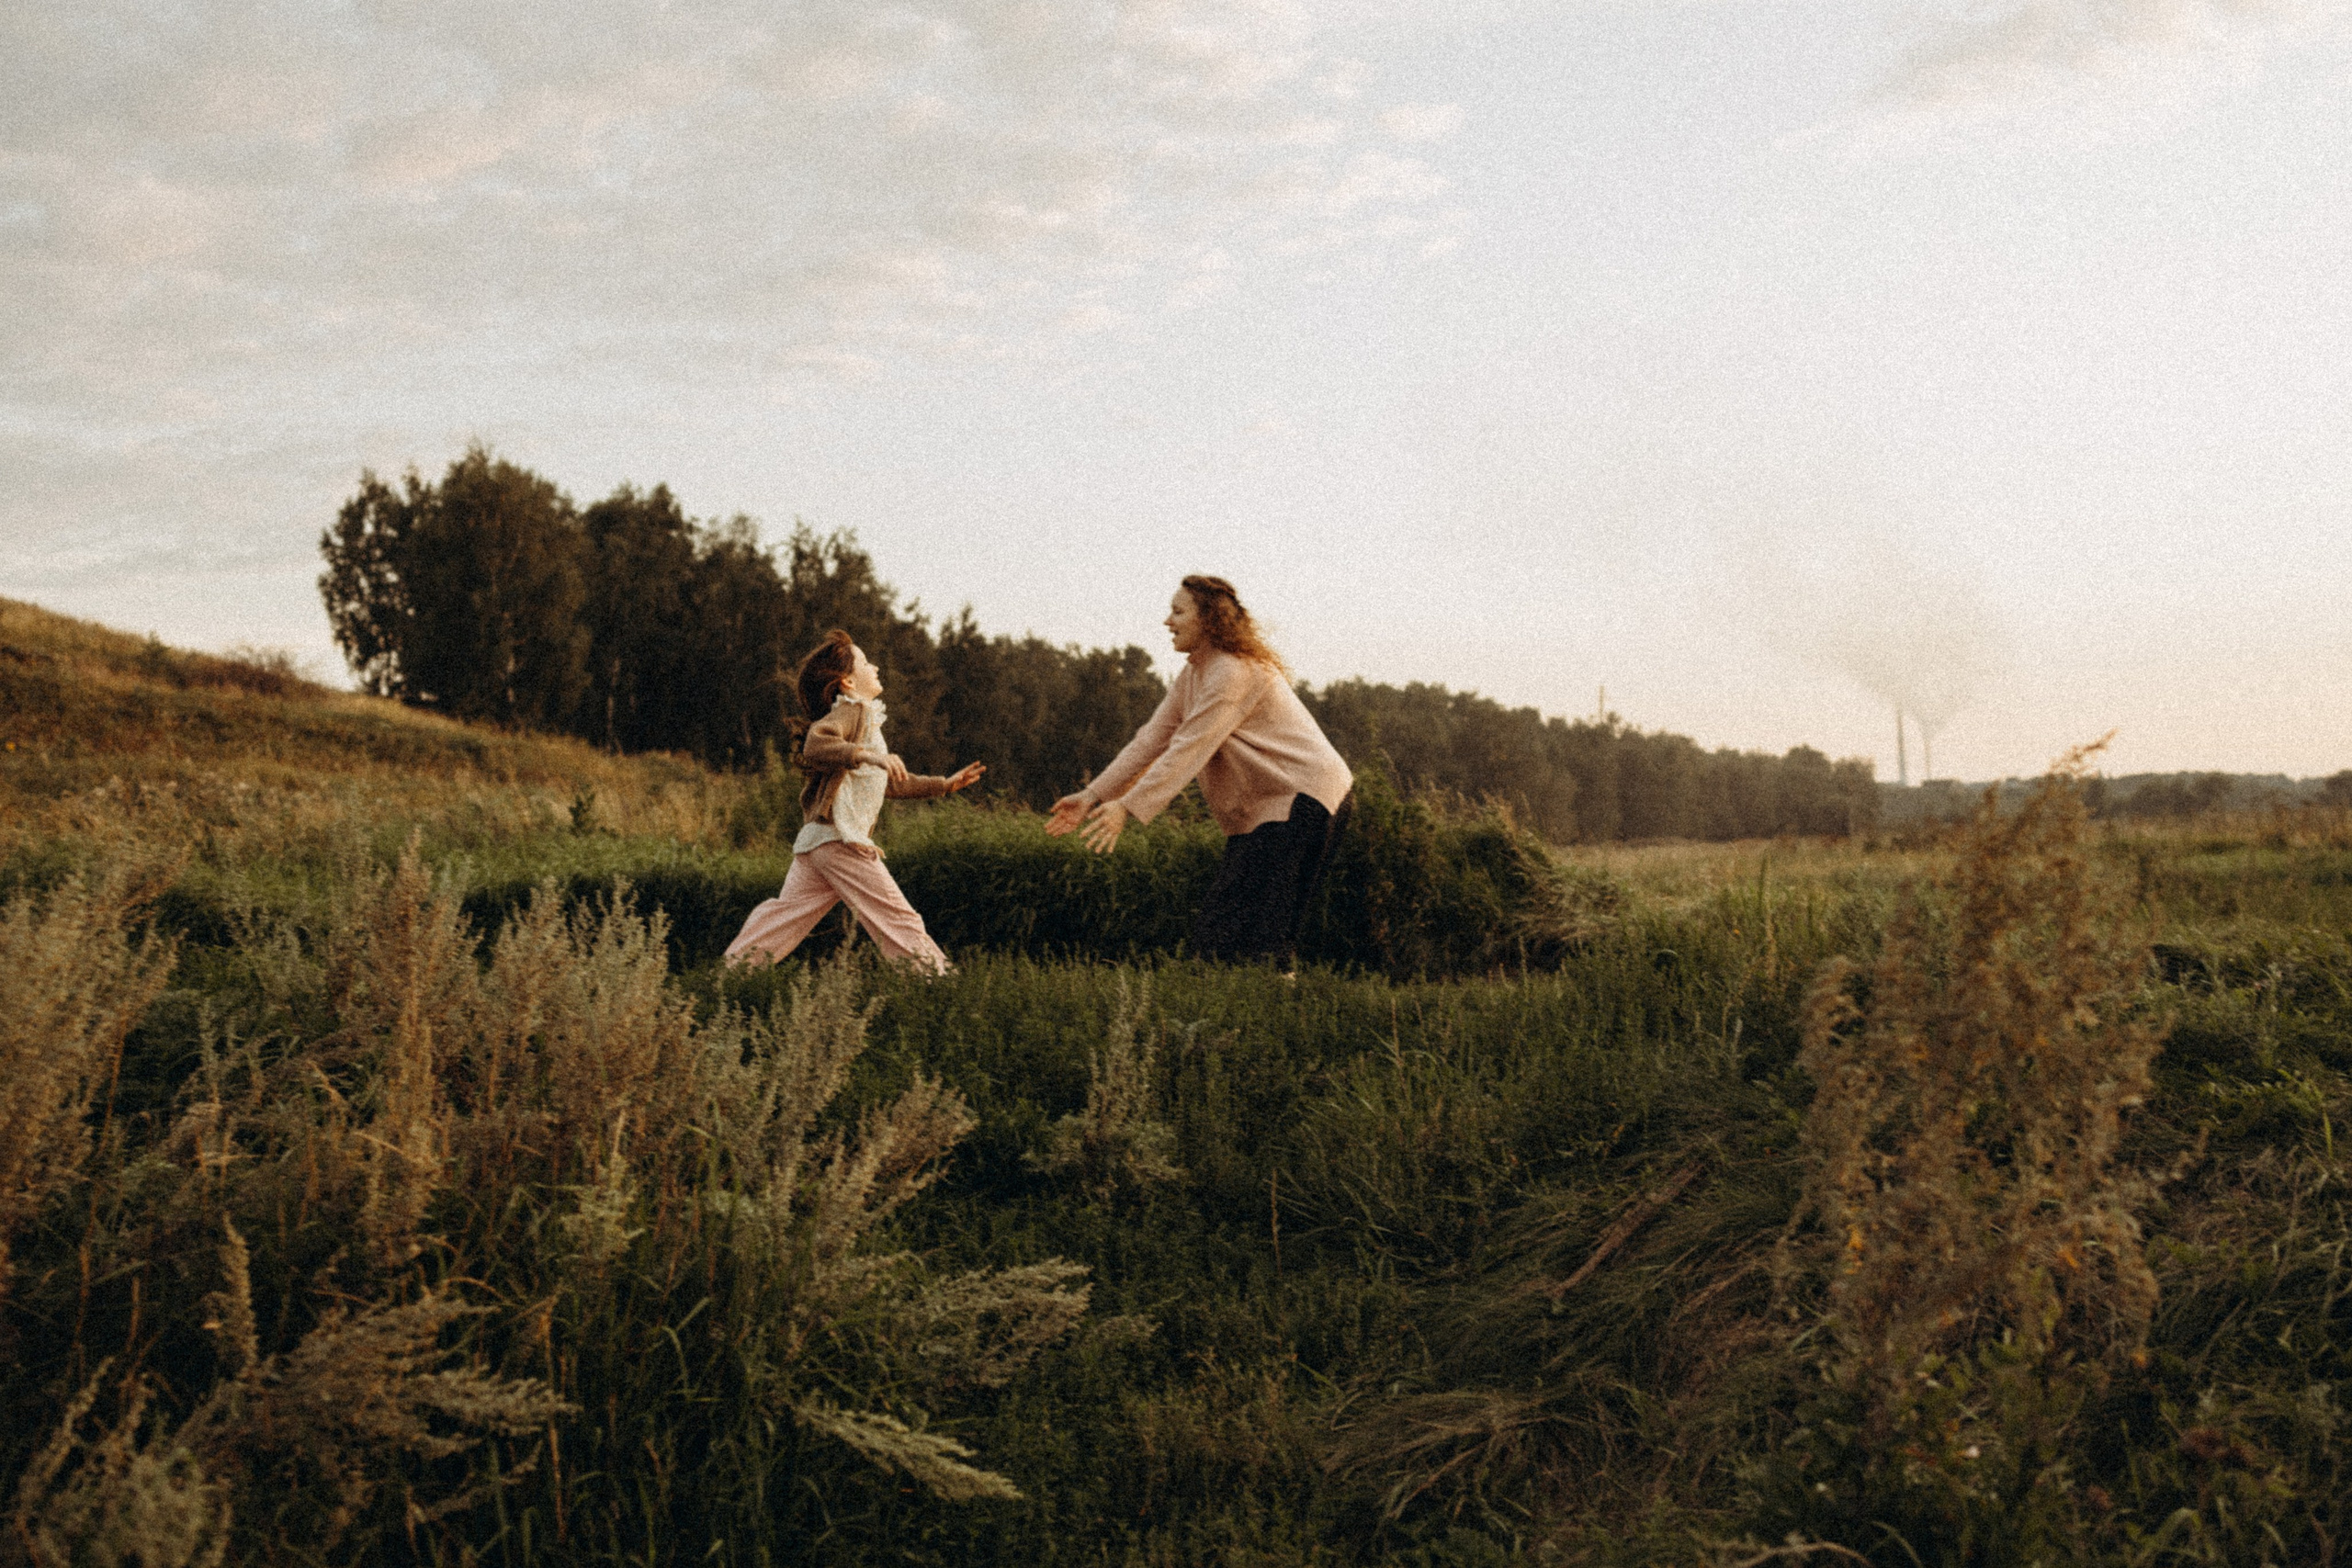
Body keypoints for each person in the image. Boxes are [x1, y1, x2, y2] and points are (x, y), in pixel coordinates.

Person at [1046, 575, 1352, 968]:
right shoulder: (1196, 674)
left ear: (1209, 619)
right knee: (1223, 930)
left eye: (1178, 611)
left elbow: (1187, 750)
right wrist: (1094, 795)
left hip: (1304, 798)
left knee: (1262, 932)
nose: (1167, 622)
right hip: (1269, 807)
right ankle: (1232, 1017)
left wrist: (1127, 806)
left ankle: (1268, 1017)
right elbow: (1150, 740)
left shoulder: (1233, 673)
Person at [725, 630, 984, 974]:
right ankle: (937, 986)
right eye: (865, 662)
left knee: (781, 919)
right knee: (897, 918)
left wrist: (942, 785)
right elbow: (815, 744)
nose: (874, 666)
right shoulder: (852, 711)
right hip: (841, 839)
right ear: (847, 681)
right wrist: (868, 755)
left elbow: (888, 784)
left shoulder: (866, 720)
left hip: (819, 842)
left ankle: (731, 975)